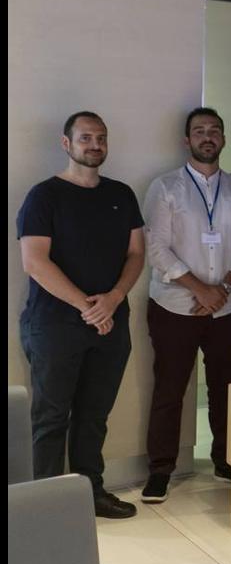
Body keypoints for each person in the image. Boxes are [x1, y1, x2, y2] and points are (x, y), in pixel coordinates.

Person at [18, 111, 145, 519]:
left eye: (101, 138)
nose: (95, 145)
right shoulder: (44, 196)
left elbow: (136, 253)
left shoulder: (122, 194)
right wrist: (90, 307)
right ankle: (46, 508)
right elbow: (34, 262)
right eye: (86, 138)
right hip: (54, 325)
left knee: (93, 415)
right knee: (51, 417)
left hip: (111, 323)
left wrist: (114, 298)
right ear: (66, 143)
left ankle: (91, 492)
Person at [142, 108, 231, 502]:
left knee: (227, 387)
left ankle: (225, 460)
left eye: (214, 131)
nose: (207, 137)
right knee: (170, 387)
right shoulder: (166, 187)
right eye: (199, 131)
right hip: (175, 305)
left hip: (227, 306)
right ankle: (160, 468)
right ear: (186, 140)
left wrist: (222, 288)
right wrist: (200, 289)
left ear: (223, 140)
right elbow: (156, 248)